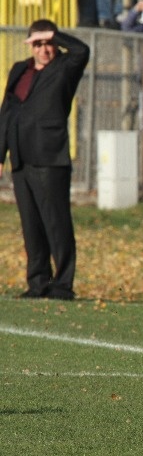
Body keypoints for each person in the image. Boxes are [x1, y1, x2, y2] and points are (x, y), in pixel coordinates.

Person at [0, 20, 90, 300]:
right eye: (37, 44)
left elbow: (81, 51)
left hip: (50, 157)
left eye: (47, 43)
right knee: (31, 223)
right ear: (30, 45)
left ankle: (62, 284)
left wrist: (54, 35)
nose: (44, 49)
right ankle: (37, 282)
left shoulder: (65, 67)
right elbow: (7, 112)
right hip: (21, 157)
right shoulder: (20, 69)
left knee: (56, 222)